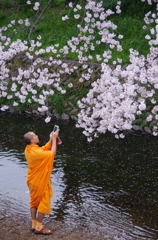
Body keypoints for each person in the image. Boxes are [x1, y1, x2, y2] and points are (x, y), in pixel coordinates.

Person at [23, 129, 59, 235]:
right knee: (43, 203)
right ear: (32, 140)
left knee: (34, 201)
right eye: (35, 136)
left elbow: (44, 149)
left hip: (32, 180)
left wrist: (50, 140)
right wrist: (53, 139)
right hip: (40, 181)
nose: (37, 136)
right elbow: (52, 153)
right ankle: (39, 227)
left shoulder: (29, 149)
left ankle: (34, 224)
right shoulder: (35, 152)